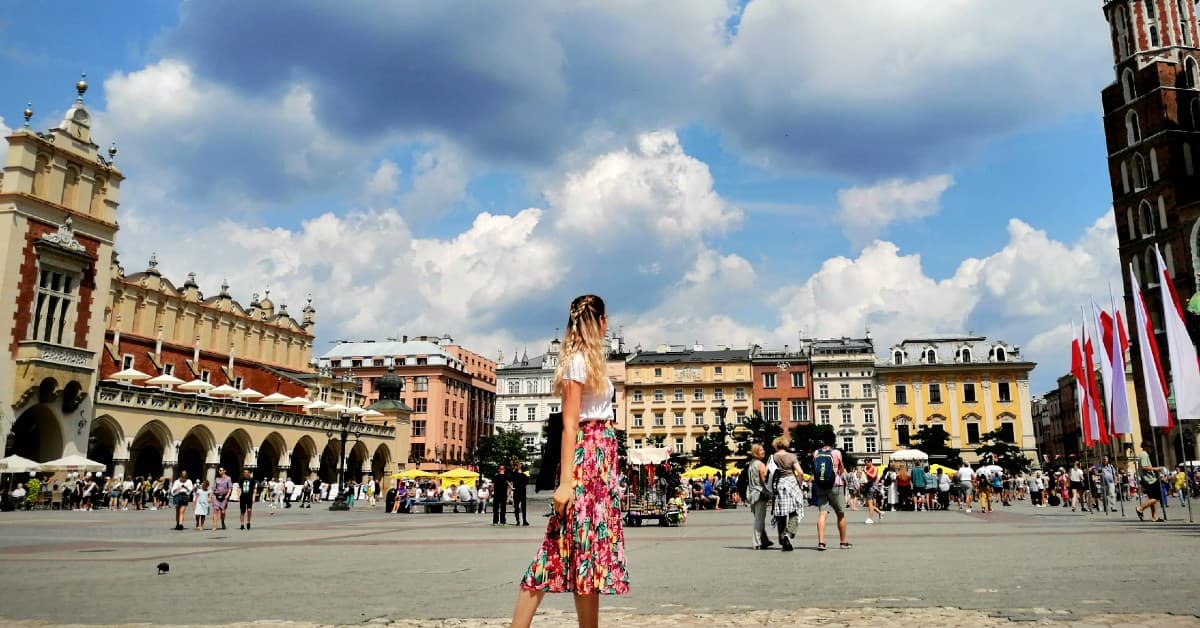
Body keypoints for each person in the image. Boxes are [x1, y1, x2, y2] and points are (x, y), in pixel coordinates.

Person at [511, 295, 629, 628]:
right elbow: (570, 423)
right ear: (602, 321)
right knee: (558, 546)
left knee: (589, 552)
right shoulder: (578, 361)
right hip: (587, 459)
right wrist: (565, 483)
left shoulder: (591, 360)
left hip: (599, 461)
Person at [813, 432, 849, 551]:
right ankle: (843, 542)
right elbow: (842, 470)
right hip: (835, 485)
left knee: (822, 513)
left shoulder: (816, 453)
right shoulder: (836, 453)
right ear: (833, 441)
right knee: (840, 513)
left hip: (821, 485)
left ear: (823, 441)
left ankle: (821, 542)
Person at [746, 443, 773, 549]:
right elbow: (764, 481)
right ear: (756, 452)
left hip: (752, 494)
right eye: (761, 450)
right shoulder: (761, 465)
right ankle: (756, 543)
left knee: (758, 518)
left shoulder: (751, 464)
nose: (764, 451)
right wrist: (770, 494)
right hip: (760, 494)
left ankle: (764, 540)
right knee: (759, 520)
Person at [1135, 441, 1164, 522]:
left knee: (1152, 498)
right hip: (1149, 479)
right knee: (1157, 497)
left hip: (1147, 479)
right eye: (1150, 447)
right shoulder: (1144, 455)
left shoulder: (1144, 455)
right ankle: (1140, 508)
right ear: (1146, 447)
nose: (1151, 449)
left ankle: (1154, 517)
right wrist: (1156, 469)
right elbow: (1144, 467)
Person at [863, 459, 882, 523]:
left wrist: (866, 472)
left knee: (870, 503)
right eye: (865, 464)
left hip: (873, 487)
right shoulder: (867, 468)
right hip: (869, 486)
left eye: (867, 463)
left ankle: (870, 518)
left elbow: (873, 476)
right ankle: (879, 512)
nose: (866, 465)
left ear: (870, 462)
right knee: (869, 503)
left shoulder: (875, 468)